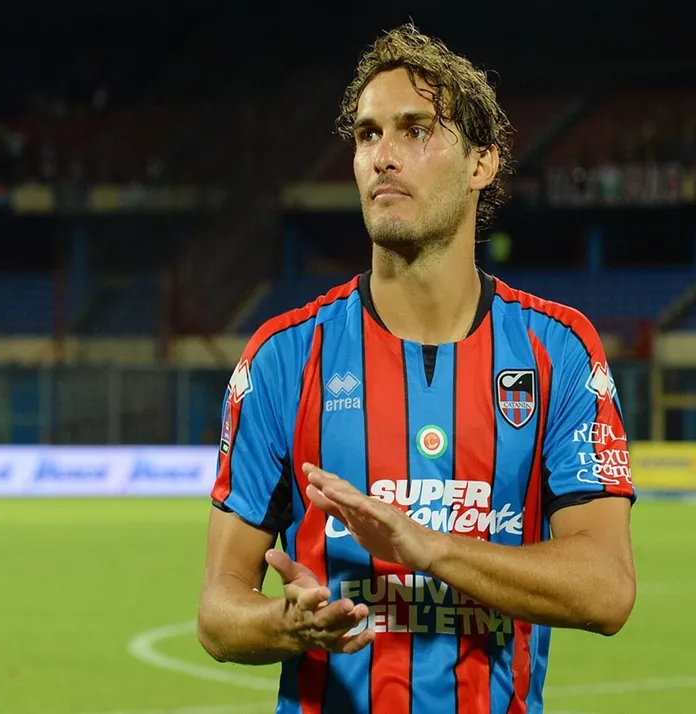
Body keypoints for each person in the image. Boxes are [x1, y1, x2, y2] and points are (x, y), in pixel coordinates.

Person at [197, 23, 637, 714]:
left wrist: (427, 547)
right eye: (369, 135)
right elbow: (218, 612)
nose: (384, 157)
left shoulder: (558, 351)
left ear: (481, 165)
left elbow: (607, 588)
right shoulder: (284, 357)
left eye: (416, 129)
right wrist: (281, 625)